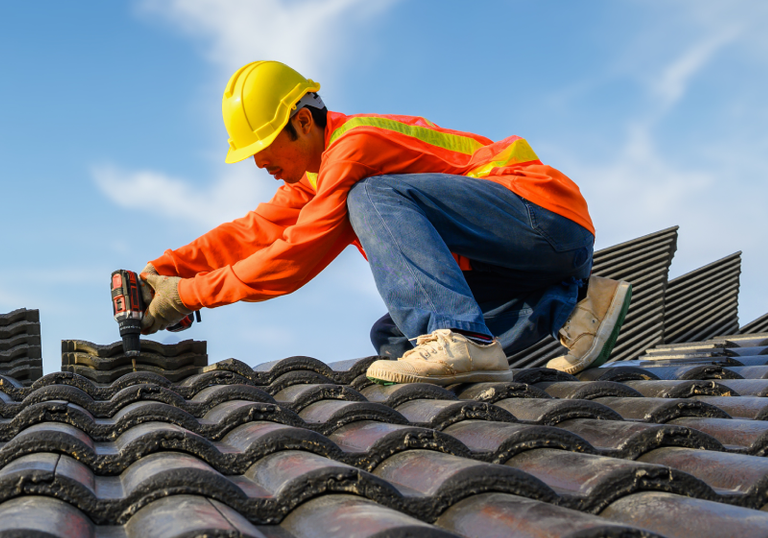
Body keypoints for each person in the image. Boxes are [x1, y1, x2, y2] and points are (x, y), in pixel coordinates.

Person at [134, 60, 630, 386]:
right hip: (519, 256)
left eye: (262, 149)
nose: (258, 164)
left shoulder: (356, 148)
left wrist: (188, 294)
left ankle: (463, 338)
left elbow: (294, 256)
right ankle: (573, 307)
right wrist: (163, 270)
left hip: (542, 213)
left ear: (303, 122)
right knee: (394, 340)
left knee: (372, 197)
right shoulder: (319, 175)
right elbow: (252, 232)